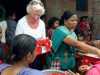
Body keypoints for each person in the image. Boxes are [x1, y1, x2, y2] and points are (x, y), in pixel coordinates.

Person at [15, 0, 47, 70]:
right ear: (29, 11)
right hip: (23, 57)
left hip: (37, 56)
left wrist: (46, 45)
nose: (36, 17)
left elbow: (43, 40)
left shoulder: (42, 23)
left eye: (39, 15)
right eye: (35, 14)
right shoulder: (21, 22)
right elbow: (17, 41)